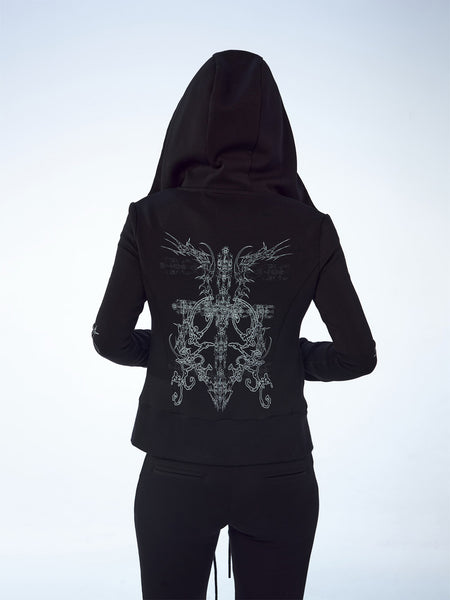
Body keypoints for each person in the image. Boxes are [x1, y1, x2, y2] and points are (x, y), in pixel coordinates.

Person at [91, 49, 377, 600]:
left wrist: (174, 349)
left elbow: (111, 338)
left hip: (175, 469)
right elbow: (357, 355)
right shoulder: (311, 227)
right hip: (279, 472)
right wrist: (281, 354)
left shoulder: (149, 218)